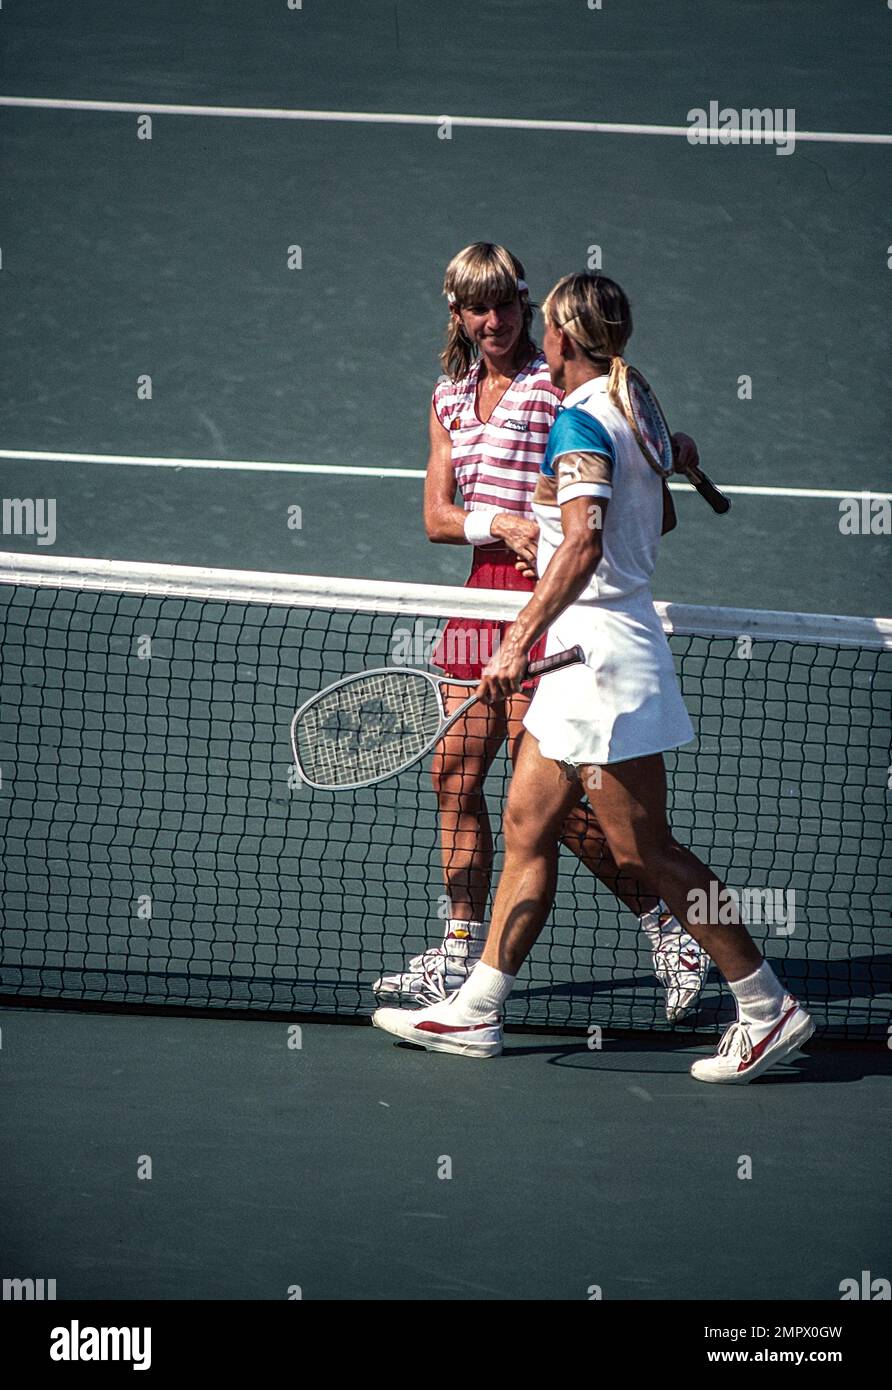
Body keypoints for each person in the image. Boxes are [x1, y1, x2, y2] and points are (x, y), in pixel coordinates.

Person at [373, 271, 814, 1083]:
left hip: (600, 660)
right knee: (527, 826)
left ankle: (765, 1004)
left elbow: (579, 547)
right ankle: (477, 1009)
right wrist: (656, 466)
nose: (535, 337)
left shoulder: (580, 418)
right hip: (594, 651)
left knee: (646, 849)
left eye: (542, 326)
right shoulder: (634, 403)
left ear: (565, 341)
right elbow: (654, 523)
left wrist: (516, 641)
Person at [373, 242, 709, 1021]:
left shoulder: (560, 386)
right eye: (476, 308)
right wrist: (506, 523)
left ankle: (669, 928)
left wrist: (659, 459)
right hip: (480, 601)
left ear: (527, 307)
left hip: (552, 605)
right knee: (452, 776)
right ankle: (458, 951)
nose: (493, 321)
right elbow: (436, 518)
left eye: (507, 305)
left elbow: (621, 480)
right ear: (455, 314)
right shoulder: (448, 397)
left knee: (559, 810)